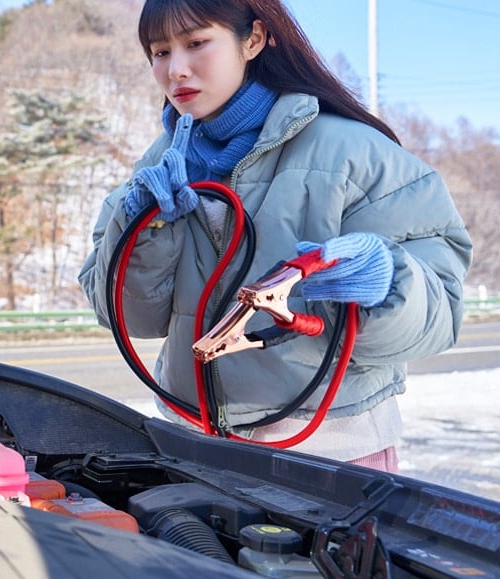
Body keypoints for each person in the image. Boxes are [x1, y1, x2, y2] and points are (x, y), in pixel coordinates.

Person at [78, 0, 472, 472]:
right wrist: (142, 228)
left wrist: (389, 285)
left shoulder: (356, 153)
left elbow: (441, 315)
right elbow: (129, 319)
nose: (175, 70)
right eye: (160, 53)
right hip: (191, 447)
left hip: (332, 453)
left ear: (254, 39)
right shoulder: (160, 167)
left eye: (197, 43)